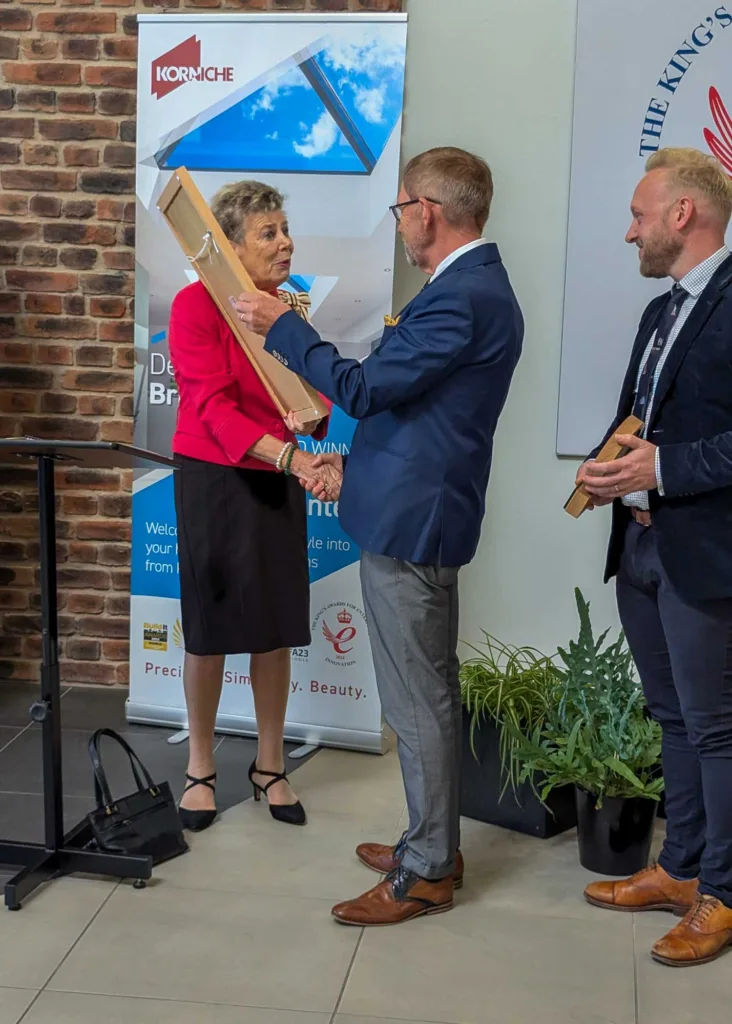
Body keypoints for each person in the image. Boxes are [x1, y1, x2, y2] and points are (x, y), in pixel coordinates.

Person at [236, 146, 523, 925]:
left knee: (418, 701)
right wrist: (335, 429)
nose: (397, 220)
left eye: (400, 207)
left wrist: (284, 327)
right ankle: (430, 844)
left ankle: (428, 870)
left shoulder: (463, 295)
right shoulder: (461, 289)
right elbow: (404, 405)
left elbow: (369, 383)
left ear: (427, 210)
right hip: (405, 506)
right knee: (417, 694)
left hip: (413, 523)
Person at [577, 148, 732, 967]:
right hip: (638, 545)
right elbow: (642, 419)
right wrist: (611, 470)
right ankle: (681, 868)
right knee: (672, 718)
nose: (628, 231)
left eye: (640, 215)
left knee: (716, 729)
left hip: (706, 556)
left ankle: (725, 895)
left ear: (683, 216)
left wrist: (664, 470)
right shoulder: (660, 310)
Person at [169, 180, 337, 832]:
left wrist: (313, 432)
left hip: (274, 478)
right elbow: (209, 410)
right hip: (213, 478)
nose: (285, 242)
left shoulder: (285, 310)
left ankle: (270, 766)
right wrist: (294, 457)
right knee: (209, 632)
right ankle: (201, 768)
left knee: (273, 627)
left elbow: (311, 403)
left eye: (285, 229)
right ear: (232, 247)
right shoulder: (192, 306)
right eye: (269, 232)